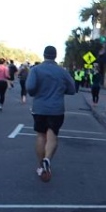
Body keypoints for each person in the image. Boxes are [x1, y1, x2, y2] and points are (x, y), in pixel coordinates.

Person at [26, 46, 76, 182]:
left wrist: (36, 92)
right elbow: (72, 89)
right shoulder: (62, 71)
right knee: (52, 135)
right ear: (55, 56)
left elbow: (30, 88)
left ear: (44, 55)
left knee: (41, 135)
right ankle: (47, 159)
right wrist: (61, 90)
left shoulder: (36, 70)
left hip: (39, 108)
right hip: (56, 109)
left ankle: (41, 165)